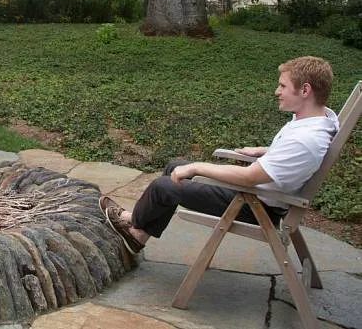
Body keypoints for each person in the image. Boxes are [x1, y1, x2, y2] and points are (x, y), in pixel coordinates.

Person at [99, 56, 339, 254]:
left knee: (164, 185)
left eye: (283, 86)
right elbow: (294, 156)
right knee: (175, 166)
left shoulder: (305, 139)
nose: (277, 91)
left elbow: (250, 177)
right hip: (260, 195)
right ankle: (138, 235)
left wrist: (197, 167)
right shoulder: (320, 120)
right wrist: (267, 151)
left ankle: (134, 222)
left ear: (305, 90)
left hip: (253, 205)